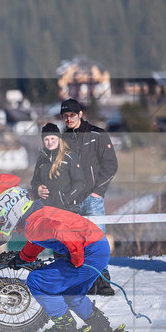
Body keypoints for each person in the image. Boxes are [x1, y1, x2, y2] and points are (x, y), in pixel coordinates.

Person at [0, 174, 132, 332]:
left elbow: (60, 230)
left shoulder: (35, 223)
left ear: (12, 208)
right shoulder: (37, 217)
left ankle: (64, 329)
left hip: (88, 252)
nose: (0, 219)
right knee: (72, 294)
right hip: (97, 247)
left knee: (37, 281)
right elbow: (40, 241)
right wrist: (22, 258)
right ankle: (100, 327)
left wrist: (76, 258)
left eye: (0, 214)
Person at [59, 98, 118, 295]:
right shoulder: (60, 140)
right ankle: (78, 283)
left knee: (96, 241)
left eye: (72, 115)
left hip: (92, 199)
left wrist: (97, 192)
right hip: (70, 202)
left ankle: (102, 283)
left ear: (80, 114)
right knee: (72, 244)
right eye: (65, 116)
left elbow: (110, 165)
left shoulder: (97, 135)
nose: (68, 119)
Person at [29, 123, 89, 213]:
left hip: (66, 210)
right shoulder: (41, 160)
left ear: (59, 138)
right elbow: (34, 182)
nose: (50, 142)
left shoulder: (69, 157)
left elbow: (80, 183)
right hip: (46, 210)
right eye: (46, 139)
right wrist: (37, 190)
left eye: (53, 138)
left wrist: (65, 199)